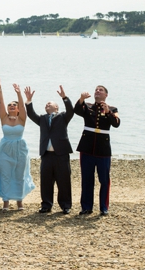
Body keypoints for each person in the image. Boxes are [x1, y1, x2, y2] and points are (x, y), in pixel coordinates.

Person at [24, 85, 74, 214]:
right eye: (46, 104)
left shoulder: (63, 117)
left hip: (61, 154)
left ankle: (65, 205)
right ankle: (46, 205)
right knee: (46, 181)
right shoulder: (42, 119)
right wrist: (28, 101)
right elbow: (31, 114)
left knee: (63, 180)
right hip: (46, 155)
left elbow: (70, 111)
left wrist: (65, 98)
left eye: (49, 104)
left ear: (56, 107)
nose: (47, 105)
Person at [74, 85, 121, 216]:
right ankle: (86, 207)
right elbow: (77, 110)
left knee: (104, 180)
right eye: (96, 90)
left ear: (106, 95)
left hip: (103, 150)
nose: (97, 91)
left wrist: (108, 112)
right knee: (87, 179)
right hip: (87, 148)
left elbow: (116, 123)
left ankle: (104, 207)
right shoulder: (88, 106)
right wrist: (81, 98)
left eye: (101, 90)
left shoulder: (112, 109)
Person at [0, 79, 35, 211]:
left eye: (13, 105)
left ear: (17, 109)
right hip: (4, 149)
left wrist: (19, 94)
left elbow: (23, 106)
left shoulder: (22, 119)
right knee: (5, 175)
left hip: (20, 149)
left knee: (19, 175)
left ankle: (19, 201)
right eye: (9, 105)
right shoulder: (3, 117)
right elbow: (0, 103)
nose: (11, 106)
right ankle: (5, 202)